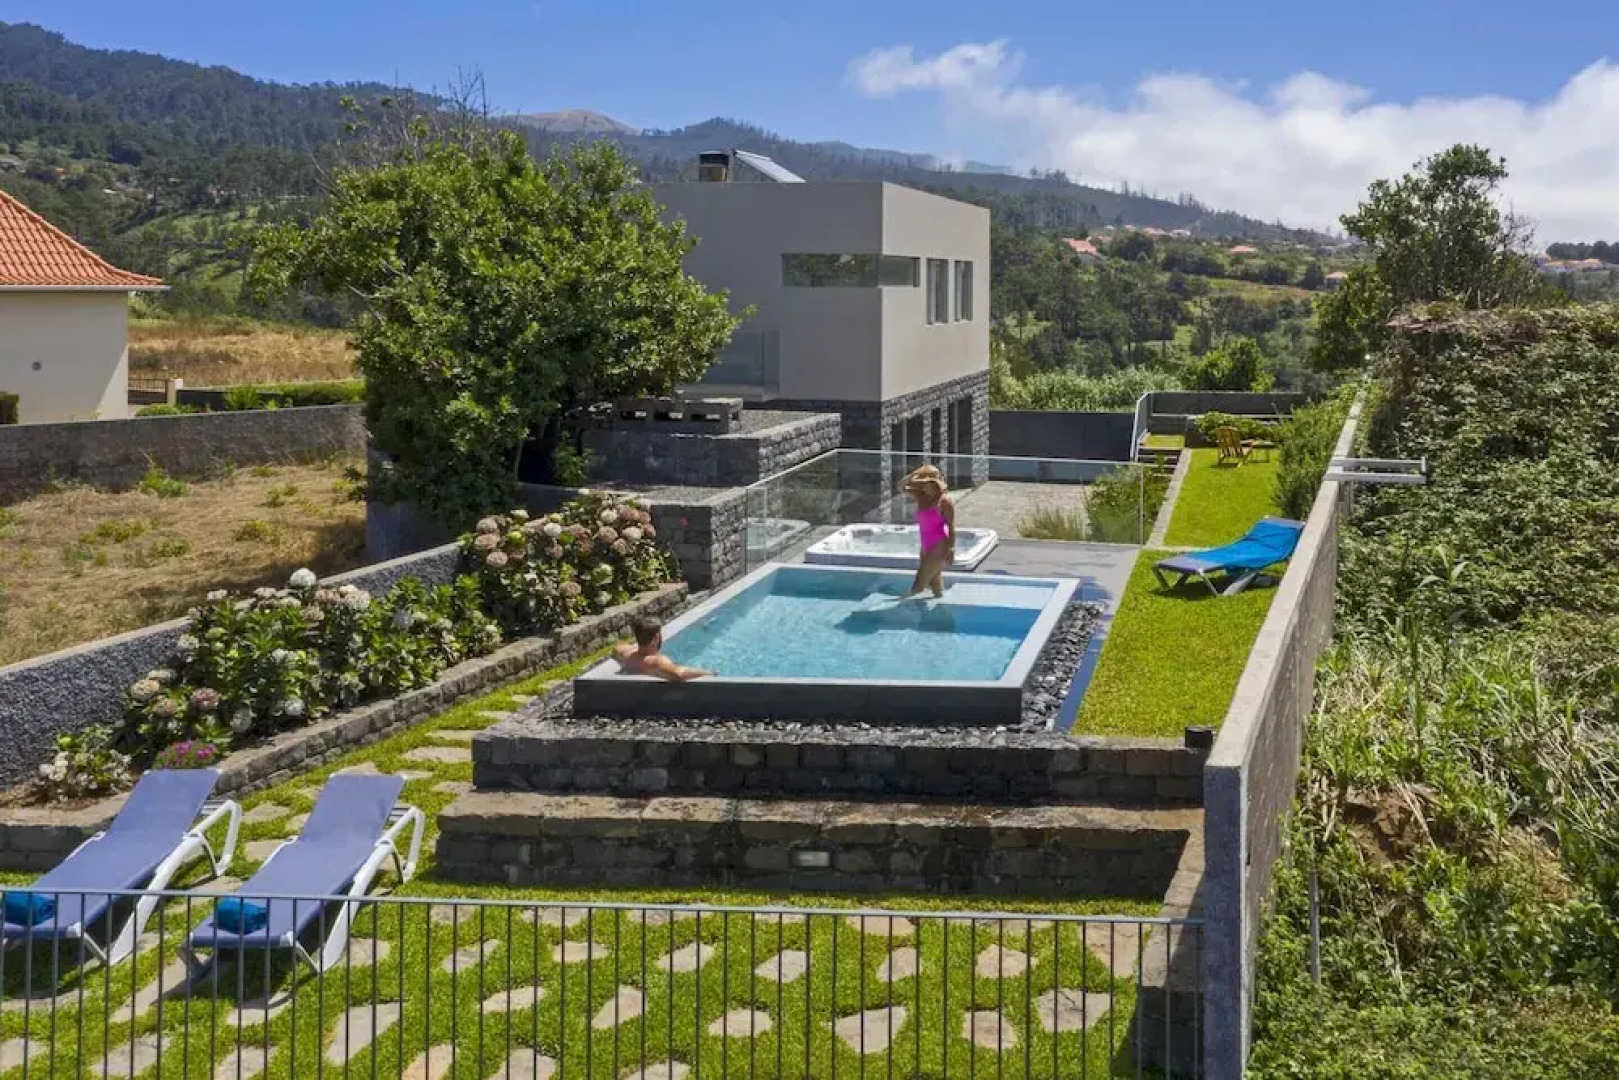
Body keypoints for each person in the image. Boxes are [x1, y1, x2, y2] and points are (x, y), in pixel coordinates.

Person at [901, 464, 955, 598]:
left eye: (929, 483)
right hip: (925, 545)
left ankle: (900, 607)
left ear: (936, 483)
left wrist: (951, 549)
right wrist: (914, 475)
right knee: (934, 583)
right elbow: (901, 487)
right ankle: (941, 610)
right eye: (924, 483)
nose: (926, 486)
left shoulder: (945, 501)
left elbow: (951, 526)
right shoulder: (920, 496)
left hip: (939, 544)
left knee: (918, 583)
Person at [613, 617, 713, 682]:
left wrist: (637, 647)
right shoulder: (656, 661)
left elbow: (616, 648)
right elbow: (679, 674)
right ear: (656, 638)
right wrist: (709, 673)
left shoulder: (626, 653)